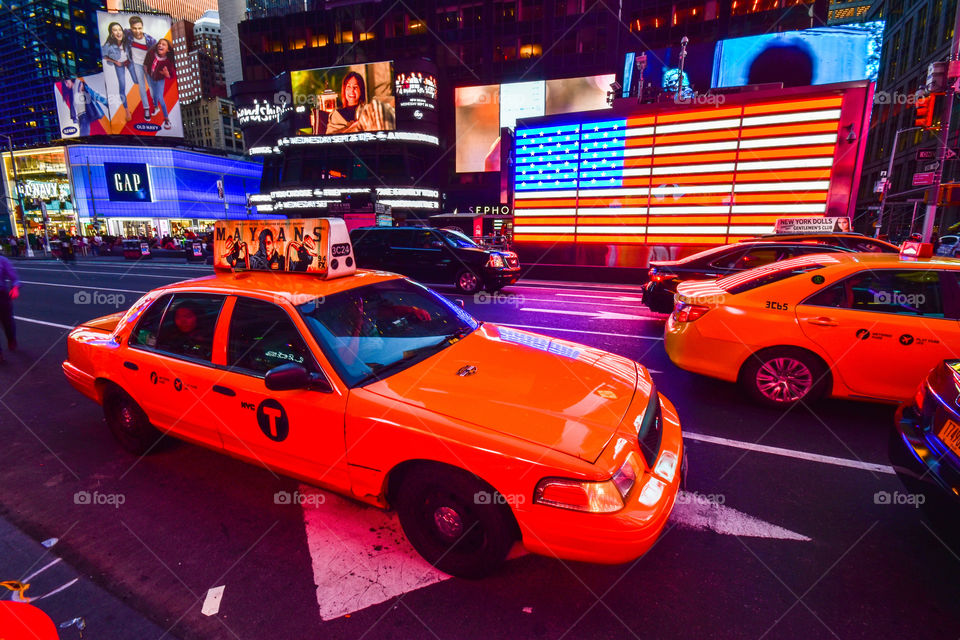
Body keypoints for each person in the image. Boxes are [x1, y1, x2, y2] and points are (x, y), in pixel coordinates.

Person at [325, 71, 395, 135]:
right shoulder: (336, 114)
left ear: (361, 91)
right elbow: (330, 137)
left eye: (355, 87)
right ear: (344, 90)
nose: (352, 90)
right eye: (348, 87)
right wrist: (354, 126)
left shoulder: (368, 109)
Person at [124, 16, 156, 120]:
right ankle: (146, 109)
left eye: (140, 28)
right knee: (141, 86)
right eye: (135, 28)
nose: (137, 31)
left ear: (142, 27)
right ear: (131, 28)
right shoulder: (128, 35)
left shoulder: (150, 39)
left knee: (151, 86)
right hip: (136, 64)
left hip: (147, 64)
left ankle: (155, 105)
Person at [102, 22, 134, 120]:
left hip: (129, 61)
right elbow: (103, 55)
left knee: (137, 80)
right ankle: (127, 111)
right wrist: (115, 62)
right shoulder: (108, 45)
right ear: (111, 33)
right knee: (122, 87)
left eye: (119, 29)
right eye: (115, 30)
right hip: (119, 65)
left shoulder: (127, 38)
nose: (118, 32)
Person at [142, 39, 175, 129]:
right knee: (154, 94)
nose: (160, 45)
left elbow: (171, 75)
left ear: (168, 49)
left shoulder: (168, 61)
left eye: (163, 44)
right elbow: (145, 64)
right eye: (159, 44)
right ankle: (156, 107)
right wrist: (147, 73)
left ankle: (166, 119)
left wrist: (166, 74)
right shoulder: (152, 53)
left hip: (160, 80)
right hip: (150, 77)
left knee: (160, 97)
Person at [0, 254, 20, 362]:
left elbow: (14, 278)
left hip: (1, 296)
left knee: (7, 322)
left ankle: (11, 339)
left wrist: (15, 288)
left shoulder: (3, 260)